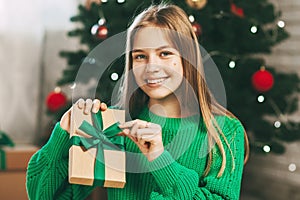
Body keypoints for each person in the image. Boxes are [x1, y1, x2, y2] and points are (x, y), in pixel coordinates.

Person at [26, 3, 249, 200]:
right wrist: (62, 136)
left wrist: (160, 160)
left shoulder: (224, 131)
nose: (151, 66)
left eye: (164, 54)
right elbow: (43, 195)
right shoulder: (113, 126)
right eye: (140, 56)